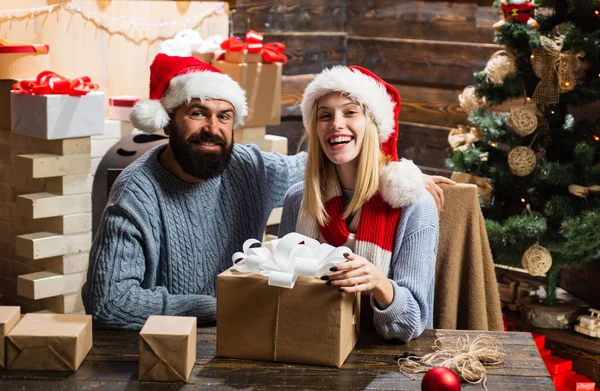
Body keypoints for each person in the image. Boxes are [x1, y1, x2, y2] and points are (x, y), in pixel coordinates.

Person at [83, 53, 450, 330]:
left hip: (254, 333)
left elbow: (330, 158)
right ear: (167, 119)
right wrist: (227, 304)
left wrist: (403, 173)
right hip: (169, 343)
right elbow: (109, 303)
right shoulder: (137, 190)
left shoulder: (247, 168)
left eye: (224, 116)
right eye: (198, 113)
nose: (212, 127)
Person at [278, 66, 439, 341]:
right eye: (325, 115)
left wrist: (379, 284)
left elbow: (412, 325)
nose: (336, 123)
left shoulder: (414, 205)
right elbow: (280, 295)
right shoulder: (299, 200)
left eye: (350, 112)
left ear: (373, 124)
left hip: (384, 366)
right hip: (306, 347)